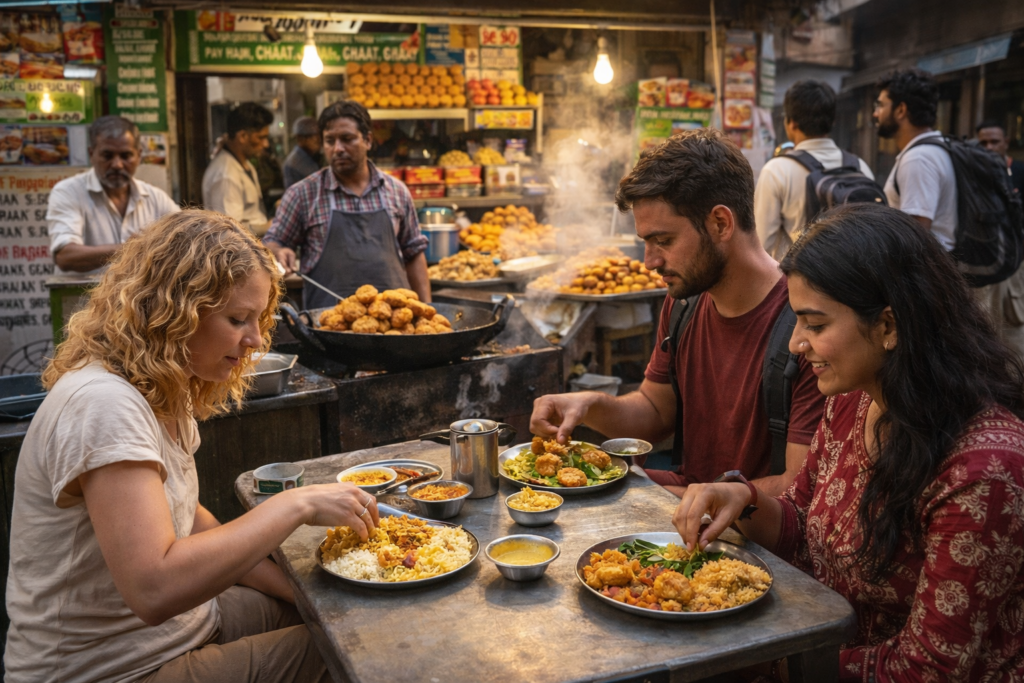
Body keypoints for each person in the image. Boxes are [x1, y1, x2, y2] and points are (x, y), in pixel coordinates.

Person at [4, 209, 379, 682]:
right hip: (111, 668)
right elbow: (154, 589)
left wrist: (299, 590)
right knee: (357, 647)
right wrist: (294, 505)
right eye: (238, 319)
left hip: (186, 627)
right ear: (174, 311)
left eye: (258, 320)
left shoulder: (163, 386)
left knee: (340, 613)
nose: (255, 341)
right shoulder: (103, 404)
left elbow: (189, 519)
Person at [674, 203, 1024, 682]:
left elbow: (928, 669)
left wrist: (767, 664)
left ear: (888, 326)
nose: (797, 344)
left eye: (815, 326)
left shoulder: (984, 472)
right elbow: (805, 531)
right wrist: (744, 499)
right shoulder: (852, 401)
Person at [530, 129, 825, 498]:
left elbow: (798, 488)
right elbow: (655, 412)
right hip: (683, 515)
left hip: (753, 541)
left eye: (664, 241)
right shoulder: (684, 303)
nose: (650, 262)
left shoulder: (805, 326)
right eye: (646, 243)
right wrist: (589, 405)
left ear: (721, 223)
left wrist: (691, 498)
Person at [264, 100, 430, 307]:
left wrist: (427, 311)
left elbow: (414, 253)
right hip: (326, 325)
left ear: (368, 140)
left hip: (394, 326)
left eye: (347, 139)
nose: (338, 148)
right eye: (329, 141)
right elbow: (272, 243)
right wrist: (278, 252)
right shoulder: (302, 194)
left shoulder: (397, 191)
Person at [754, 80, 874, 260]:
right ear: (832, 121)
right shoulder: (861, 167)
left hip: (798, 285)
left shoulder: (777, 170)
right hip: (855, 282)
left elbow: (762, 246)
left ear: (791, 123)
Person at [46, 115, 179, 275]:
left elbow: (186, 237)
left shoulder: (156, 198)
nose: (117, 164)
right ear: (92, 154)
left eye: (126, 156)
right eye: (107, 156)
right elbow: (65, 256)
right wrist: (133, 249)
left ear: (139, 155)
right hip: (82, 299)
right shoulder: (68, 192)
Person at [873, 69, 958, 251]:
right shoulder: (938, 146)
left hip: (931, 273)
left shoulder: (918, 159)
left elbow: (914, 239)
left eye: (880, 105)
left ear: (901, 110)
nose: (875, 113)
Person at [202, 102, 273, 235]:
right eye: (261, 137)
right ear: (242, 136)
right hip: (239, 253)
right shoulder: (225, 174)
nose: (265, 144)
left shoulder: (245, 164)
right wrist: (266, 227)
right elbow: (228, 231)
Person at [977, 119, 1024, 196]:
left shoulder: (1021, 171)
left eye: (994, 142)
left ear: (1006, 143)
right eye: (983, 143)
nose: (989, 147)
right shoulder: (974, 171)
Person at [283, 116, 323, 190]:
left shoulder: (317, 156)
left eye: (318, 134)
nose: (317, 139)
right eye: (311, 135)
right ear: (300, 138)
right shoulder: (293, 164)